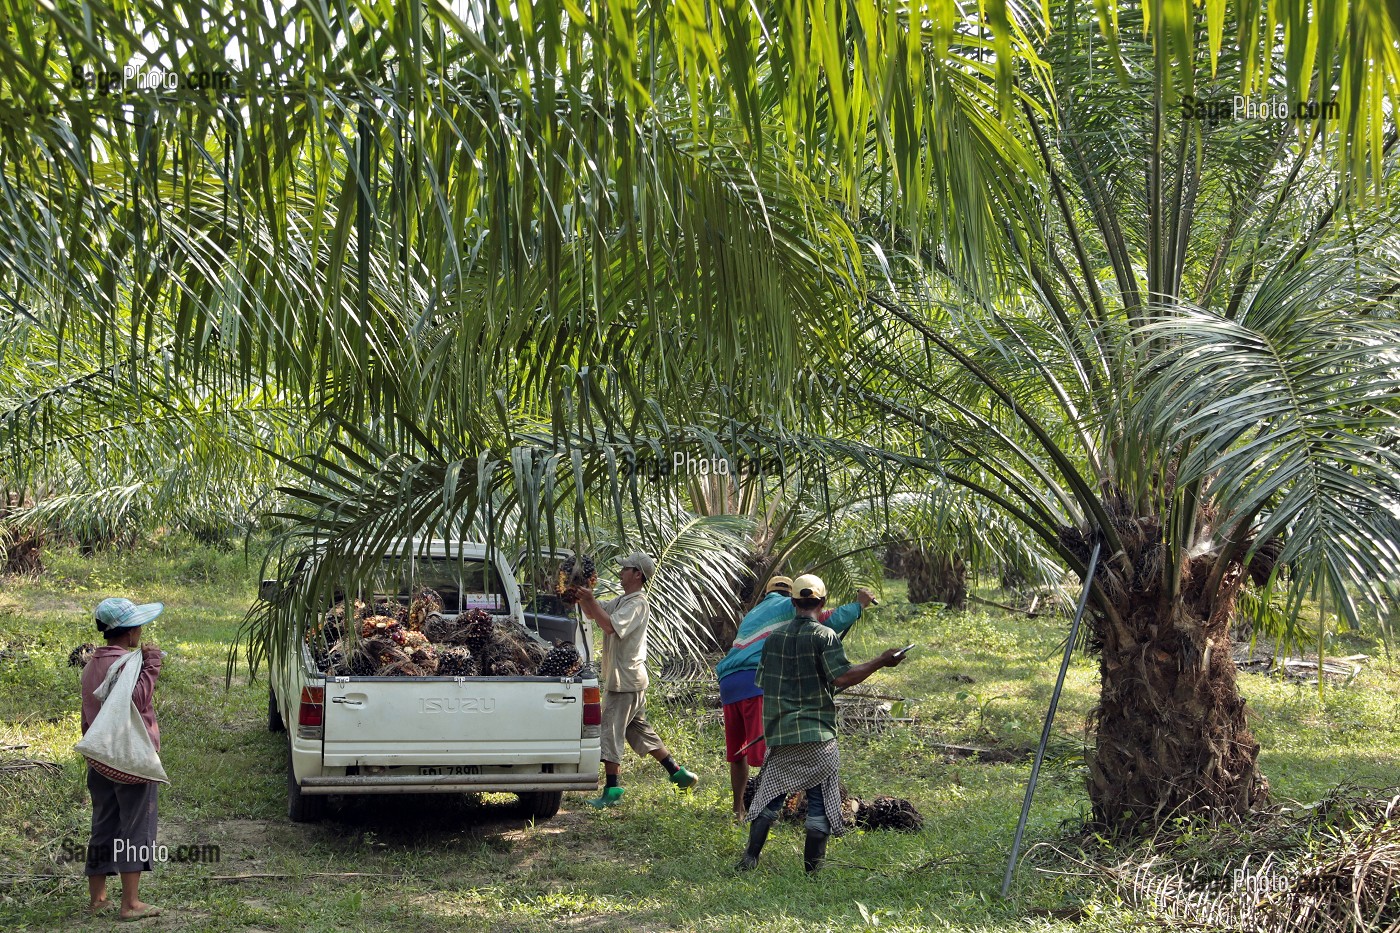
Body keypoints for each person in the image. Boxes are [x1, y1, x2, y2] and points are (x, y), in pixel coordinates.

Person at [736, 574, 906, 874]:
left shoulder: (775, 638)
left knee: (769, 797)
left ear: (793, 602)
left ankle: (750, 858)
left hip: (782, 733)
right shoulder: (825, 636)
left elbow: (764, 681)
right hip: (818, 735)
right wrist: (881, 661)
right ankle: (812, 873)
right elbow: (841, 678)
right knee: (820, 799)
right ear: (822, 602)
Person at [715, 576, 873, 821]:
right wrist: (859, 605)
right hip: (754, 680)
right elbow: (830, 620)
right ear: (793, 596)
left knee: (739, 752)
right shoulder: (790, 607)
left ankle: (738, 811)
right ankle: (767, 813)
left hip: (728, 681)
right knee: (769, 753)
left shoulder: (754, 612)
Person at [575, 552, 699, 807]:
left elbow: (609, 626)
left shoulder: (638, 604)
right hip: (629, 679)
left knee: (610, 731)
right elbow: (594, 615)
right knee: (639, 731)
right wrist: (584, 596)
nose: (620, 572)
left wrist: (589, 600)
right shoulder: (623, 600)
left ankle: (613, 790)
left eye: (625, 569)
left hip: (625, 680)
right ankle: (679, 774)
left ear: (637, 574)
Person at [81, 597, 165, 921]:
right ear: (130, 633)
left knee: (103, 823)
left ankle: (98, 898)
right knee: (137, 825)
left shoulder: (91, 665)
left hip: (100, 757)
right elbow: (138, 700)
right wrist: (152, 664)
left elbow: (88, 716)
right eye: (139, 627)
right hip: (129, 759)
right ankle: (130, 903)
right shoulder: (128, 664)